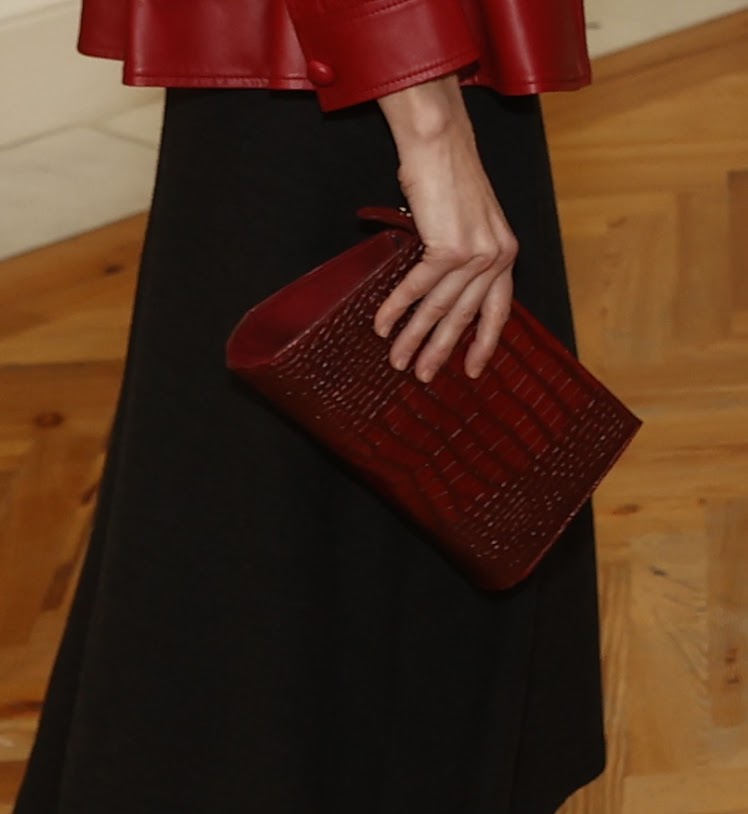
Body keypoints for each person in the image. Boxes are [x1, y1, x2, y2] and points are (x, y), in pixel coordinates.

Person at [13, 1, 607, 812]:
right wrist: (431, 128)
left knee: (282, 528)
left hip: (381, 57)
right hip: (377, 64)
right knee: (295, 535)